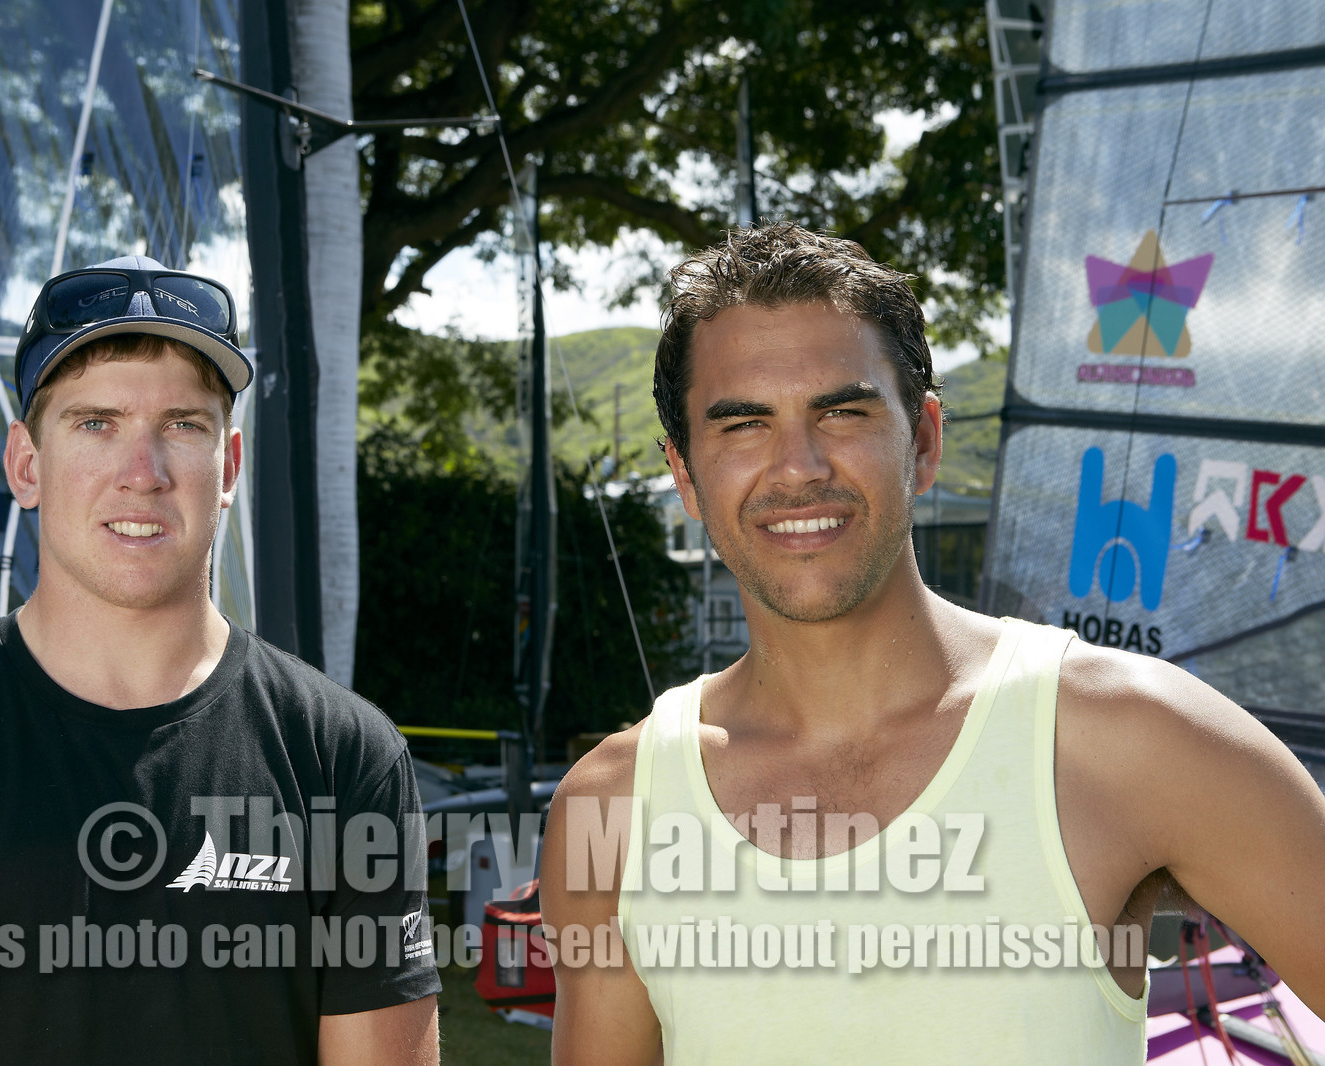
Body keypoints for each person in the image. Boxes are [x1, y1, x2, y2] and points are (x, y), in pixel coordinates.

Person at [540, 223, 1325, 1063]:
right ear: (685, 475)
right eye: (743, 426)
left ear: (923, 441)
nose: (798, 466)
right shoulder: (613, 809)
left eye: (842, 412)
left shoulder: (1133, 735)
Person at [0, 257, 440, 1065]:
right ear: (26, 465)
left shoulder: (344, 756)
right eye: (96, 423)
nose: (141, 474)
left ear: (230, 468)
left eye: (183, 424)